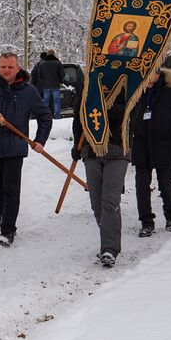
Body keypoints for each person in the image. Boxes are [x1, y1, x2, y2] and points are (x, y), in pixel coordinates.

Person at [0, 51, 53, 247]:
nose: (6, 70)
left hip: (15, 148)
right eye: (3, 67)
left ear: (18, 68)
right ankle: (5, 219)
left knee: (10, 190)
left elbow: (45, 117)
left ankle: (7, 230)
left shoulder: (29, 91)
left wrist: (40, 140)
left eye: (10, 67)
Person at [130, 67, 171, 236]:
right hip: (141, 146)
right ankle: (146, 221)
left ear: (158, 73)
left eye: (149, 73)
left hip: (165, 146)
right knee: (141, 187)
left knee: (166, 185)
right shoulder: (136, 91)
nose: (146, 77)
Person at [71, 89, 130, 267]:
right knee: (96, 203)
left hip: (117, 150)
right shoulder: (88, 88)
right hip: (91, 151)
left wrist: (105, 106)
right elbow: (78, 118)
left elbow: (130, 114)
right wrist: (77, 145)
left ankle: (109, 249)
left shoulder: (126, 86)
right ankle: (108, 233)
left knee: (110, 200)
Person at [32, 49, 64, 118]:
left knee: (45, 102)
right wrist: (60, 81)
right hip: (55, 85)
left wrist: (42, 82)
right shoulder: (58, 63)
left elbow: (39, 75)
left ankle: (45, 116)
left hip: (45, 86)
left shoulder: (42, 63)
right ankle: (57, 116)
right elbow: (62, 74)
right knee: (56, 102)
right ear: (54, 54)